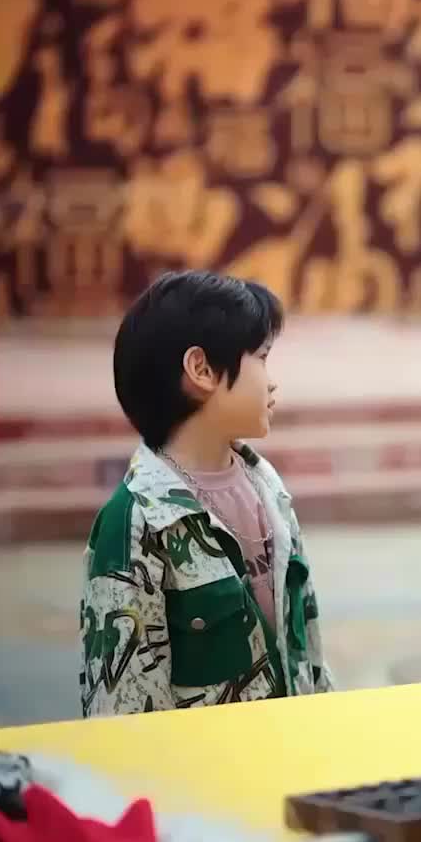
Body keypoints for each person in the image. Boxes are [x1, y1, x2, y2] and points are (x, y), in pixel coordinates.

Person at [80, 270, 333, 716]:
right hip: (201, 760)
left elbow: (308, 653)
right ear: (201, 370)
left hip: (296, 747)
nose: (272, 382)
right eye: (262, 357)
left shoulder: (267, 488)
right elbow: (120, 709)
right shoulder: (137, 521)